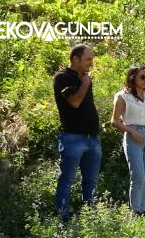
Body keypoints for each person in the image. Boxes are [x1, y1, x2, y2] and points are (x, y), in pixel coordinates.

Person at [53, 44, 101, 221]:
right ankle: (63, 216)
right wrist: (85, 83)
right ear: (75, 59)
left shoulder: (84, 78)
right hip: (73, 138)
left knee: (91, 181)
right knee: (67, 179)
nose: (91, 63)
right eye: (88, 59)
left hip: (93, 139)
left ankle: (90, 217)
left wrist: (85, 81)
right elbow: (74, 102)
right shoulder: (62, 78)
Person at [110, 66, 145, 216]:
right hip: (133, 134)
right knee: (138, 176)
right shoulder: (123, 96)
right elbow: (114, 121)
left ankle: (142, 209)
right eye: (142, 77)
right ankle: (135, 211)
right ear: (132, 78)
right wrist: (132, 131)